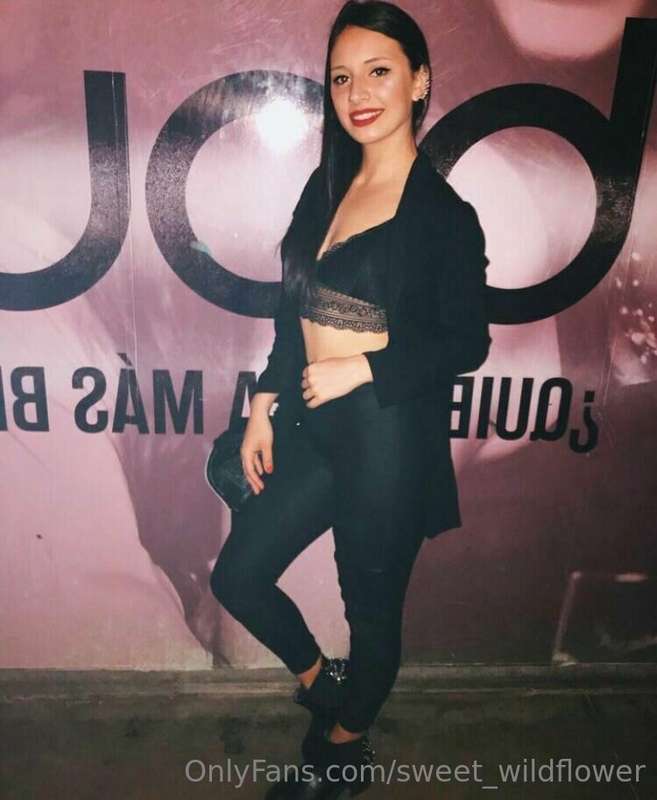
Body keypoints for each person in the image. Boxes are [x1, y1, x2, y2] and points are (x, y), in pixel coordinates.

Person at [210, 1, 491, 796]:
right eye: (341, 77)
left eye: (378, 71)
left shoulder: (440, 216)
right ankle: (322, 683)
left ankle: (338, 754)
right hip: (312, 424)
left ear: (418, 82)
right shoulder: (326, 185)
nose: (357, 93)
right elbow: (294, 312)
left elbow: (465, 342)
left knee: (369, 612)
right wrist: (262, 404)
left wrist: (364, 368)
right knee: (238, 576)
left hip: (385, 437)